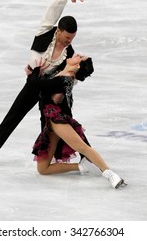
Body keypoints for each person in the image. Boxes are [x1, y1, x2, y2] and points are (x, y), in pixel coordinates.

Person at [0, 0, 84, 166]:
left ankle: (63, 157)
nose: (68, 41)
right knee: (12, 117)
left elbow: (70, 76)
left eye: (72, 38)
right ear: (59, 31)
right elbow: (52, 10)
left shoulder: (68, 52)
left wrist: (61, 93)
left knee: (56, 123)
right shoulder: (45, 33)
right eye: (66, 37)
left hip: (51, 88)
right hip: (33, 84)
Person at [27, 55, 126, 189]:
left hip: (57, 118)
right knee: (42, 169)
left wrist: (34, 72)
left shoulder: (64, 80)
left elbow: (36, 85)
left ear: (77, 66)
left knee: (82, 147)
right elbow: (41, 85)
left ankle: (110, 174)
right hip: (50, 123)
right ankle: (81, 166)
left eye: (79, 57)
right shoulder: (61, 75)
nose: (76, 55)